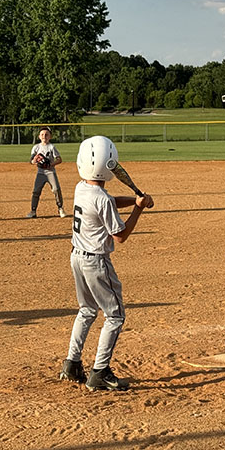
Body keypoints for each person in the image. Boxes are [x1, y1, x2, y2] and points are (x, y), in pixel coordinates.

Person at [59, 136, 153, 391]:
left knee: (87, 310)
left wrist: (134, 200)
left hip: (76, 257)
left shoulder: (81, 188)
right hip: (96, 263)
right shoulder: (101, 198)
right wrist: (139, 209)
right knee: (115, 315)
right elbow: (120, 236)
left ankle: (72, 364)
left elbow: (108, 202)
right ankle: (99, 372)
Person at [26, 126, 66, 218]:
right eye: (42, 134)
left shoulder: (51, 147)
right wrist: (34, 160)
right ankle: (33, 211)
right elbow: (31, 160)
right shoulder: (36, 147)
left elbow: (59, 159)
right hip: (40, 173)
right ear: (39, 136)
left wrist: (51, 164)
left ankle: (60, 208)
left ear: (50, 137)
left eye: (46, 134)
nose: (44, 136)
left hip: (51, 172)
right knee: (36, 191)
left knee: (56, 189)